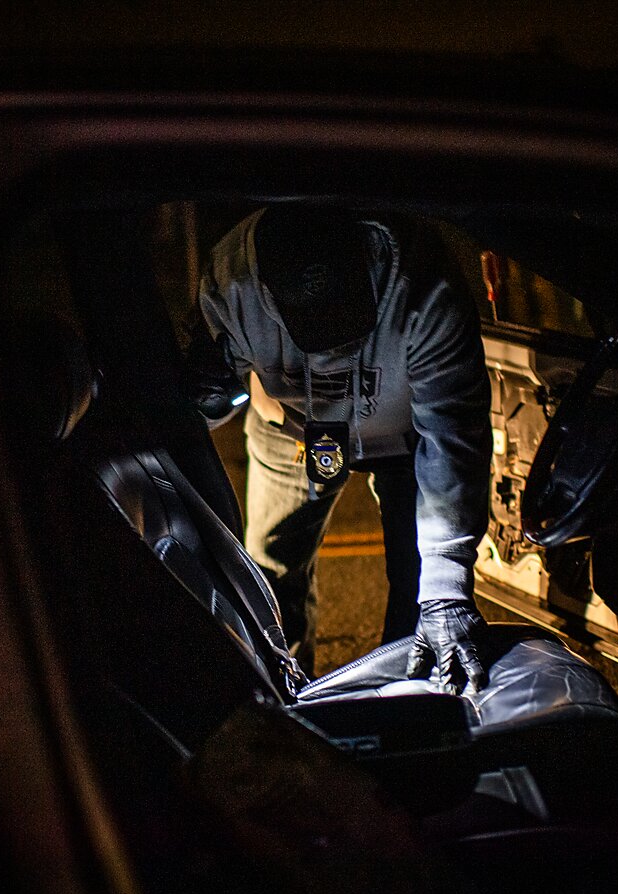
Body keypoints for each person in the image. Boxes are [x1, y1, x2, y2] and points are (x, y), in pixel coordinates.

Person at [184, 203, 494, 695]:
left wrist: (448, 589)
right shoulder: (231, 287)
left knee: (422, 587)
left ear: (368, 256)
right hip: (292, 426)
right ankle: (286, 704)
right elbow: (203, 409)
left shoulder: (424, 285)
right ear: (267, 290)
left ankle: (409, 706)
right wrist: (212, 393)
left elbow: (453, 434)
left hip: (405, 435)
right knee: (271, 573)